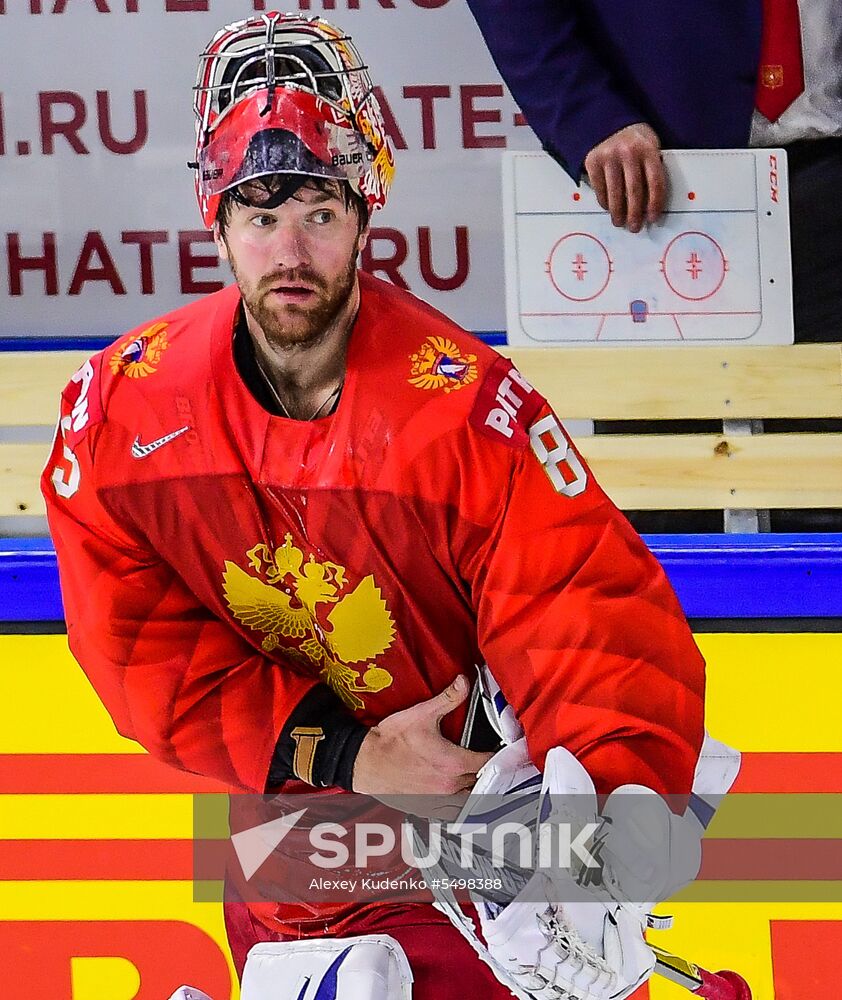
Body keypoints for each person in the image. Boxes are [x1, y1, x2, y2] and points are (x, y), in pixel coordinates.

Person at [42, 12, 708, 999]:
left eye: (317, 207)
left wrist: (609, 844)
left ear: (366, 206)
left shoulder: (465, 412)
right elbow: (143, 651)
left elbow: (589, 619)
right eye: (259, 213)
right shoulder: (124, 416)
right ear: (215, 219)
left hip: (494, 859)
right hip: (300, 860)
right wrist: (350, 751)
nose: (288, 248)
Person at [467, 0, 842, 532]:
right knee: (671, 495)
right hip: (659, 182)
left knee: (829, 494)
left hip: (833, 171)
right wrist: (586, 114)